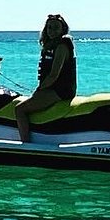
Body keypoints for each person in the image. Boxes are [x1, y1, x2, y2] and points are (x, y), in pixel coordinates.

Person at [14, 14, 77, 142]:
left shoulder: (62, 46)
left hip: (62, 91)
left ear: (63, 29)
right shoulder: (51, 45)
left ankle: (25, 143)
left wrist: (39, 90)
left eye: (56, 28)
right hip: (53, 88)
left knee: (19, 109)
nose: (52, 31)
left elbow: (54, 74)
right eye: (49, 27)